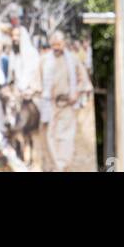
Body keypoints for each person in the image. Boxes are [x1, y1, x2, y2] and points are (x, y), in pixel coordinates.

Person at [39, 30, 91, 173]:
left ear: (64, 44)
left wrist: (76, 91)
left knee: (65, 138)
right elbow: (36, 81)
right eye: (54, 44)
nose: (56, 47)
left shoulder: (73, 59)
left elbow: (84, 81)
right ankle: (54, 166)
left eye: (59, 44)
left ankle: (61, 167)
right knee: (49, 137)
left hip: (67, 104)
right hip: (49, 104)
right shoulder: (44, 60)